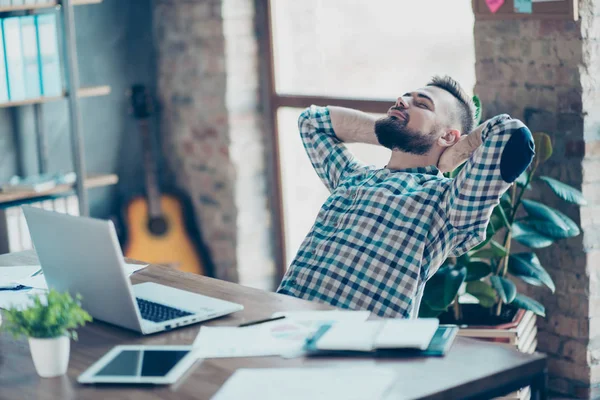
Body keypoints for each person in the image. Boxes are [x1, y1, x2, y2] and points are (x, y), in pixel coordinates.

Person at [276, 75, 535, 318]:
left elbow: (512, 135)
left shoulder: (446, 203)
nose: (402, 101)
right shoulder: (352, 176)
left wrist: (452, 155)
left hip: (356, 351)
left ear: (447, 135)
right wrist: (387, 131)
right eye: (404, 97)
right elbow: (311, 122)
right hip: (283, 323)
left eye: (421, 103)